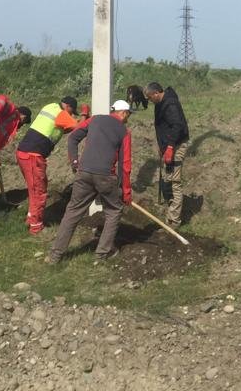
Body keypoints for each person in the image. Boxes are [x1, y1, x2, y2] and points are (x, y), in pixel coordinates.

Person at [45, 100, 133, 264]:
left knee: (73, 211)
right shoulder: (124, 131)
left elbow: (73, 137)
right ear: (123, 113)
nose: (128, 118)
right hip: (106, 176)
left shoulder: (95, 119)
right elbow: (125, 164)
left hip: (84, 173)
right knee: (114, 211)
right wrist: (126, 192)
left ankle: (55, 256)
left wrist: (75, 162)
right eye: (128, 114)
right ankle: (102, 254)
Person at [15, 96, 79, 234]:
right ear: (68, 107)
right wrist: (85, 115)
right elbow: (77, 127)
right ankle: (36, 226)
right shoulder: (62, 113)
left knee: (34, 189)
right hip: (33, 155)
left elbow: (62, 127)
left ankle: (31, 218)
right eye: (72, 112)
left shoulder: (50, 107)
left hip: (24, 153)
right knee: (39, 191)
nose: (71, 115)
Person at [144, 82, 190, 227]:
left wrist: (169, 146)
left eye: (150, 98)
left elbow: (177, 126)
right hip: (169, 145)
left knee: (174, 182)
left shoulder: (170, 104)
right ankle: (170, 216)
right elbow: (163, 127)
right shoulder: (160, 103)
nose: (149, 101)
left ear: (156, 93)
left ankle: (174, 221)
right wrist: (162, 145)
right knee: (167, 180)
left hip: (176, 145)